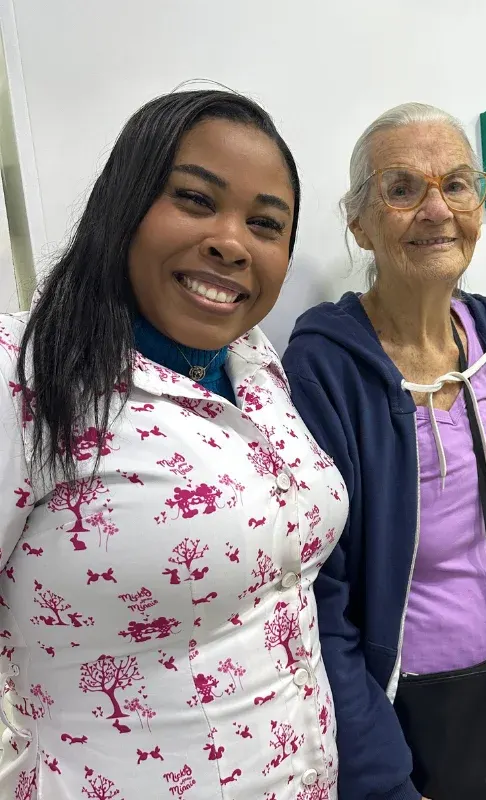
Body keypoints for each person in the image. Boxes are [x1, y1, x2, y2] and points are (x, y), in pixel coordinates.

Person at [0, 90, 346, 800]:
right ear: (123, 205)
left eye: (265, 224)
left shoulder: (252, 361)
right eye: (195, 199)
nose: (231, 242)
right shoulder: (25, 374)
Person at [282, 103, 486, 800]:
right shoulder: (324, 368)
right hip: (421, 715)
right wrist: (377, 769)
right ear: (359, 223)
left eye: (456, 184)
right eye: (402, 189)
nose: (437, 210)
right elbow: (321, 595)